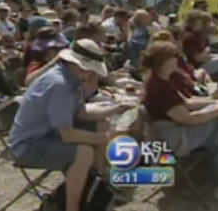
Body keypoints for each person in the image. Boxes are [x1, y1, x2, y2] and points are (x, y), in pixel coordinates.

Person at [8, 39, 129, 211]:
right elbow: (67, 134)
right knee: (84, 152)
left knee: (102, 124)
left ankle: (94, 183)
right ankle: (73, 206)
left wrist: (116, 108)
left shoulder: (69, 79)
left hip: (46, 134)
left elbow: (81, 113)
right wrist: (106, 138)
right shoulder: (60, 85)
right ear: (82, 67)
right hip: (28, 145)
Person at [141, 41, 218, 201]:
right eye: (173, 57)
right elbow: (187, 118)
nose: (177, 60)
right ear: (163, 61)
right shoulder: (159, 87)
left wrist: (214, 103)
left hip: (177, 131)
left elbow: (186, 102)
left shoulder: (163, 80)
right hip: (172, 138)